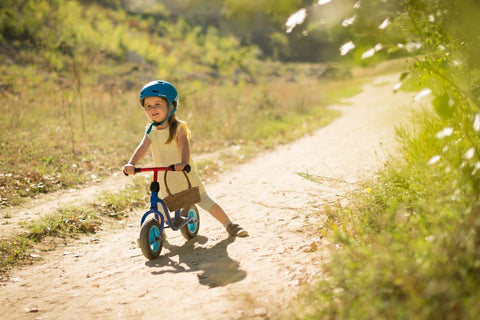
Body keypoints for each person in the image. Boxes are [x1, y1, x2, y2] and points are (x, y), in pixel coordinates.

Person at [123, 80, 248, 237]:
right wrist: (131, 163)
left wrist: (183, 162)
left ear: (171, 106)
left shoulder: (178, 127)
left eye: (157, 104)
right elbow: (142, 147)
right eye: (148, 106)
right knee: (159, 206)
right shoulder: (151, 130)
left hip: (183, 174)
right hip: (164, 178)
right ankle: (156, 234)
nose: (152, 109)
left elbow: (184, 146)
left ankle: (230, 225)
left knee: (203, 200)